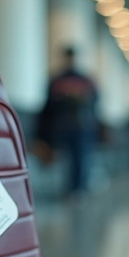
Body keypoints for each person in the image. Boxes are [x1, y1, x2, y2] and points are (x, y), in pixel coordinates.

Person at [37, 47, 99, 197]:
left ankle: (78, 188)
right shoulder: (57, 80)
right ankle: (72, 188)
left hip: (80, 127)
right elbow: (48, 107)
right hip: (61, 127)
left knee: (80, 157)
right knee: (70, 158)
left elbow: (94, 104)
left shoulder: (85, 80)